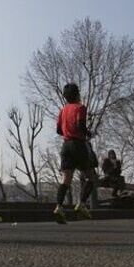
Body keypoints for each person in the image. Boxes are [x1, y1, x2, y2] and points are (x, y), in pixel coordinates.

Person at [52, 82, 96, 224]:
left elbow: (58, 130)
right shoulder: (80, 108)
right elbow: (80, 125)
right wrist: (89, 133)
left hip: (66, 146)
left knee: (66, 179)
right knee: (91, 177)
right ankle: (81, 204)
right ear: (77, 94)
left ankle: (58, 207)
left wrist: (67, 132)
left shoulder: (63, 110)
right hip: (78, 145)